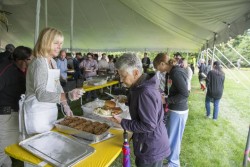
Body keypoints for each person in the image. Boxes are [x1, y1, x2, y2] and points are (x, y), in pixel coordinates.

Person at [23, 27, 84, 136]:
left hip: (49, 112)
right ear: (46, 42)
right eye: (56, 43)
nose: (59, 47)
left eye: (61, 43)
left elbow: (57, 86)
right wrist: (68, 95)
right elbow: (41, 94)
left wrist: (65, 105)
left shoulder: (52, 62)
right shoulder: (39, 62)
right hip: (37, 114)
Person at [113, 53, 170, 167]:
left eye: (123, 76)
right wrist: (128, 101)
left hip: (151, 147)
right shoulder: (141, 85)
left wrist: (122, 122)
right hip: (152, 142)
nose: (121, 80)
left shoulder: (145, 92)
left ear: (135, 73)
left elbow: (148, 125)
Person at [153, 53, 189, 167]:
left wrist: (166, 101)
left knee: (174, 139)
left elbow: (184, 94)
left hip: (179, 111)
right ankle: (171, 161)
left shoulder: (176, 72)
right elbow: (172, 90)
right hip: (174, 110)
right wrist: (164, 95)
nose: (157, 70)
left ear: (162, 63)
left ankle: (173, 164)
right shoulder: (171, 72)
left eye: (157, 67)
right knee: (171, 137)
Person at [0, 46, 32, 167]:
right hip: (5, 114)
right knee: (2, 150)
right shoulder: (6, 70)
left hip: (15, 113)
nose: (28, 63)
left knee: (11, 147)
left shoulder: (21, 70)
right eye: (27, 60)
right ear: (19, 59)